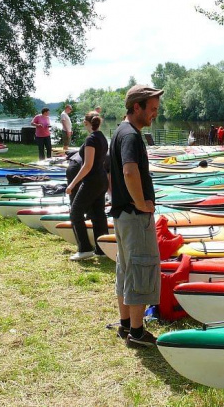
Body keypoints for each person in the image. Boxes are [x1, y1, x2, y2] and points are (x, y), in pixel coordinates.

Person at [109, 84, 162, 348]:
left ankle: (126, 324)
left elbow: (111, 174)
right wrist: (141, 203)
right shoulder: (130, 135)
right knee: (141, 268)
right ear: (137, 106)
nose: (155, 114)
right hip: (133, 215)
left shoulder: (119, 131)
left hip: (121, 215)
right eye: (152, 109)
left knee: (126, 268)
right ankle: (138, 334)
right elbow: (129, 171)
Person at [65, 112, 109, 261]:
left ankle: (84, 249)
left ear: (86, 123)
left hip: (92, 181)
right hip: (102, 180)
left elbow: (87, 165)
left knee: (75, 213)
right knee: (98, 215)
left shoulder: (91, 139)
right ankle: (102, 249)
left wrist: (72, 184)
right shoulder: (103, 137)